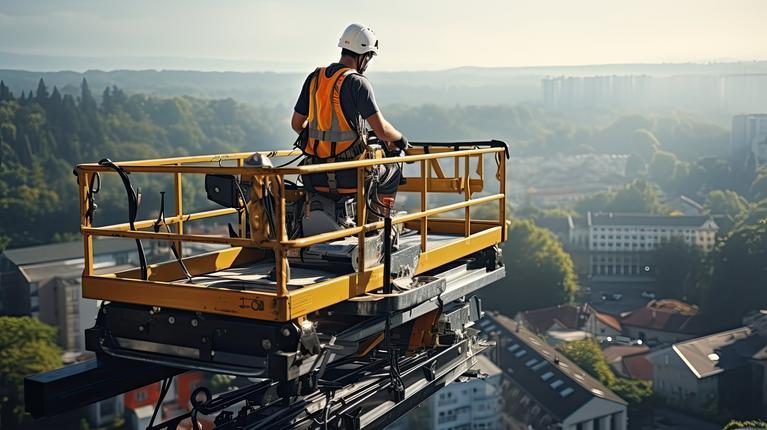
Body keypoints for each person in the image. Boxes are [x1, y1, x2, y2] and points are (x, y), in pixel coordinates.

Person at [291, 22, 408, 200]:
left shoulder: (315, 78)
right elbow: (382, 131)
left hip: (315, 173)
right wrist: (400, 139)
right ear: (364, 56)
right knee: (392, 171)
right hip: (350, 176)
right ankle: (377, 225)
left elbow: (296, 124)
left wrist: (321, 144)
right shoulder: (358, 82)